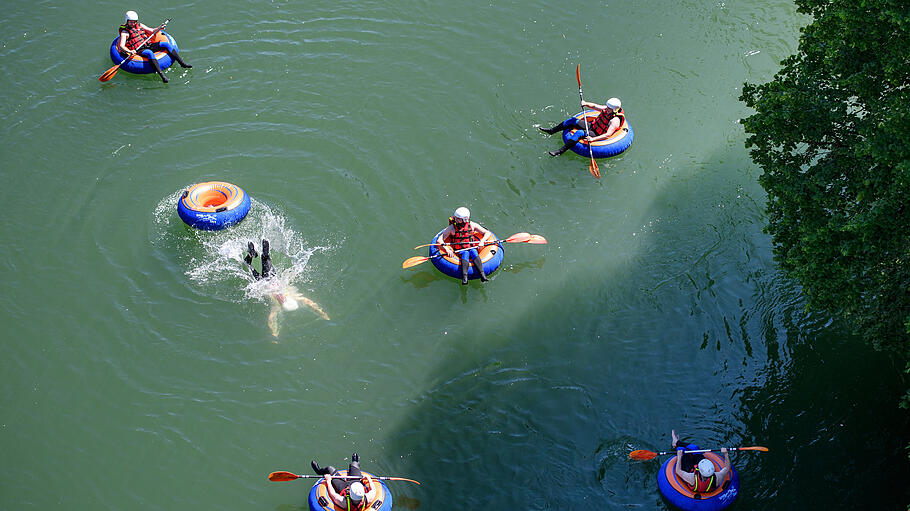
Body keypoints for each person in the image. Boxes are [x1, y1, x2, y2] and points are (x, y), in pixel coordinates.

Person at [244, 240, 330, 337]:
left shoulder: (292, 297)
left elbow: (309, 302)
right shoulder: (277, 306)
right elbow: (271, 319)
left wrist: (321, 313)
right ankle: (251, 254)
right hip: (263, 284)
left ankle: (260, 248)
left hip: (272, 279)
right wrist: (274, 333)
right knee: (248, 265)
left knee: (266, 258)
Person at [117, 10, 191, 83]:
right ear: (127, 21)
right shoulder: (125, 32)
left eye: (135, 21)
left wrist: (159, 28)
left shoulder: (140, 25)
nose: (133, 23)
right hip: (139, 49)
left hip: (149, 45)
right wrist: (130, 51)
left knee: (166, 44)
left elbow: (152, 31)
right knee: (149, 53)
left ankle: (182, 64)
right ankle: (162, 75)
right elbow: (121, 46)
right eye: (131, 21)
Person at [539, 97, 624, 156]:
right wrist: (586, 103)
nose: (606, 108)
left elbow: (608, 135)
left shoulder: (615, 120)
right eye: (607, 107)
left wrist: (593, 139)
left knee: (579, 133)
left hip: (597, 133)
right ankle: (552, 131)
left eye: (609, 108)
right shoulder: (608, 109)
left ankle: (560, 151)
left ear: (614, 110)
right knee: (572, 120)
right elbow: (595, 106)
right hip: (593, 125)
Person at [437, 207, 493, 285]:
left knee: (473, 251)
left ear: (464, 219)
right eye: (455, 217)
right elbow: (440, 240)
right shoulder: (452, 228)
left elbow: (487, 233)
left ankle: (482, 275)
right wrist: (446, 249)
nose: (455, 219)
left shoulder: (472, 225)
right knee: (465, 253)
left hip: (472, 247)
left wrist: (482, 241)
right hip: (460, 250)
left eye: (458, 218)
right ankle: (465, 278)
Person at [311, 453, 378, 511]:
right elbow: (373, 490)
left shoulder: (344, 502)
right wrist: (369, 479)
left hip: (342, 488)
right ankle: (355, 461)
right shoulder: (368, 498)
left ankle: (319, 471)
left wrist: (328, 481)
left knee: (330, 469)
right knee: (354, 464)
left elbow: (333, 494)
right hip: (354, 482)